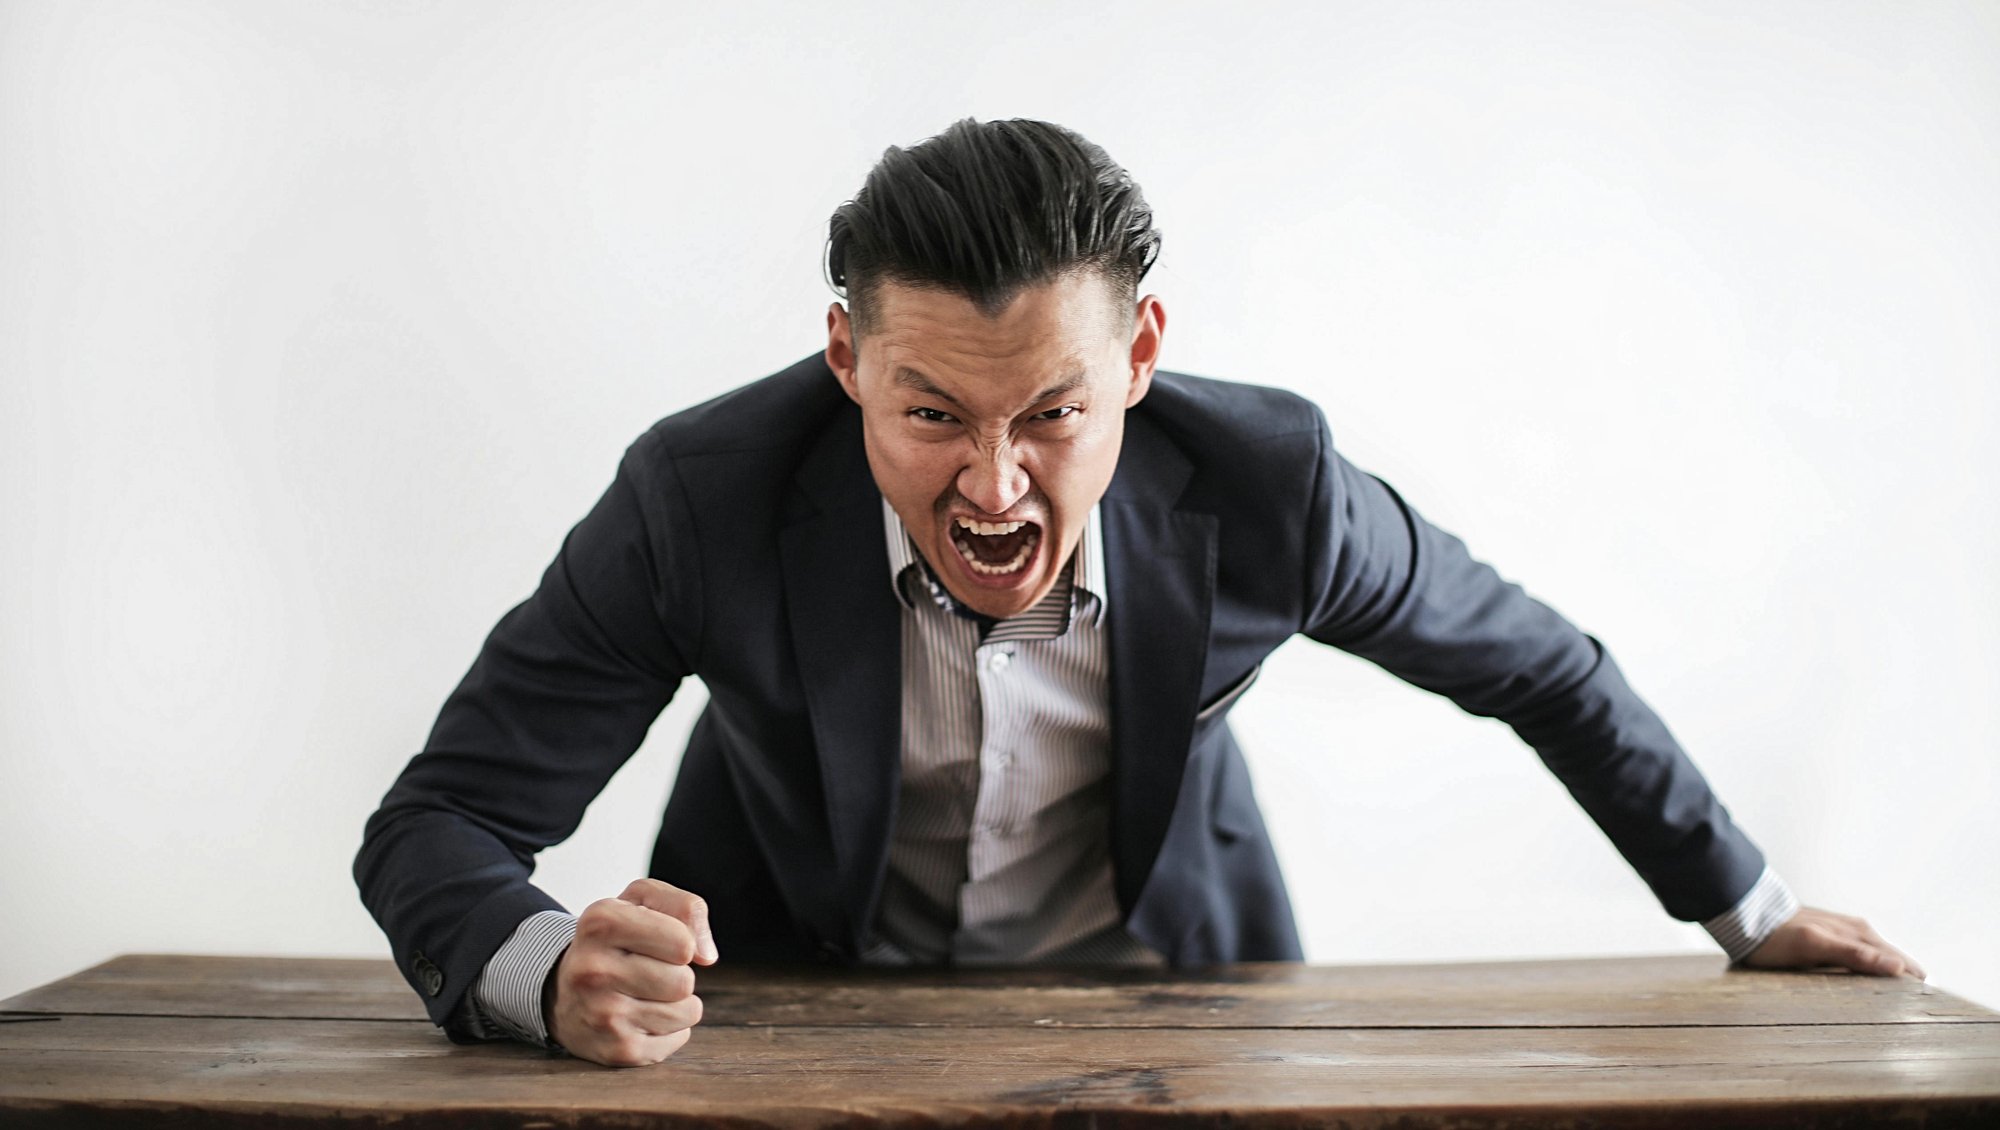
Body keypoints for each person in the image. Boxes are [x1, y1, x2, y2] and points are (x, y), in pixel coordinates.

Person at [354, 117, 1924, 1069]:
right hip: (787, 1009)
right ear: (846, 361)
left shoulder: (1275, 489)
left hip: (1174, 1001)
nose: (993, 487)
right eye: (929, 413)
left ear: (1142, 359)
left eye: (1052, 412)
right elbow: (439, 820)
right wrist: (544, 971)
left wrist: (1750, 907)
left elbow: (1541, 666)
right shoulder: (699, 500)